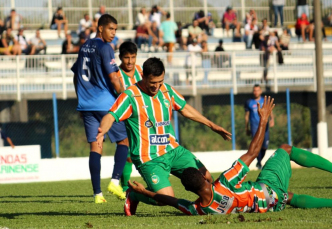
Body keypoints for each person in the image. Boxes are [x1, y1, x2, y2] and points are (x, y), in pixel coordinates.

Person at [129, 96, 332, 215]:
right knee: (286, 149)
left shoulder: (199, 210)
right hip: (267, 187)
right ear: (204, 178)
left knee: (289, 197)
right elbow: (253, 151)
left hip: (271, 205)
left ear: (189, 189)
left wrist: (145, 192)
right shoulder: (224, 183)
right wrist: (264, 120)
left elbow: (172, 200)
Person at [96, 57, 232, 216]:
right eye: (153, 82)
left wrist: (212, 125)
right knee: (165, 198)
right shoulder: (130, 96)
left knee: (206, 178)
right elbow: (111, 116)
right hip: (149, 158)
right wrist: (101, 132)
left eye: (160, 81)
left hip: (173, 151)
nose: (156, 86)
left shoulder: (166, 90)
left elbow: (185, 109)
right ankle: (134, 194)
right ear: (144, 77)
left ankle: (214, 207)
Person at [71, 14, 129, 203]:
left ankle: (98, 195)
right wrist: (125, 98)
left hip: (86, 105)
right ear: (100, 27)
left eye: (116, 30)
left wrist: (80, 96)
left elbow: (75, 74)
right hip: (104, 104)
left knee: (96, 147)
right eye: (111, 29)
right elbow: (113, 79)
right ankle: (114, 181)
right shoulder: (105, 48)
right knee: (124, 141)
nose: (114, 33)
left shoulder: (84, 46)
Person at [116, 41, 142, 193]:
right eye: (126, 57)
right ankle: (125, 186)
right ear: (120, 57)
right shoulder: (116, 75)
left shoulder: (141, 71)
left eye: (133, 57)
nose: (130, 61)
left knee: (136, 152)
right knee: (126, 150)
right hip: (123, 118)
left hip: (140, 117)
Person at [245, 84, 274, 170]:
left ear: (260, 91)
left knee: (264, 146)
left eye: (257, 90)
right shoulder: (249, 102)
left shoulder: (264, 101)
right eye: (254, 90)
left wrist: (272, 119)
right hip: (254, 127)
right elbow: (247, 115)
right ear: (253, 91)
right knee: (257, 145)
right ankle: (259, 163)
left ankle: (259, 161)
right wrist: (246, 127)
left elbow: (270, 110)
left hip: (265, 126)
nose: (256, 92)